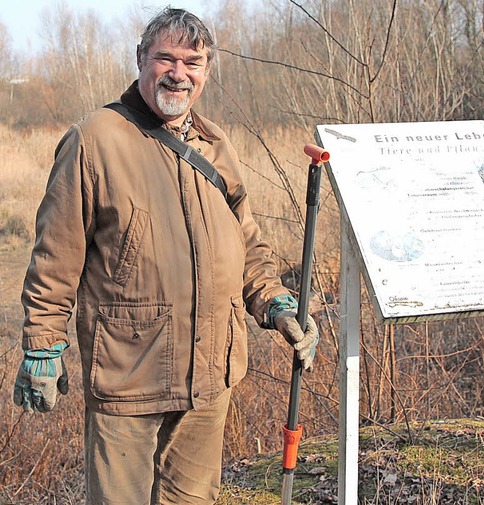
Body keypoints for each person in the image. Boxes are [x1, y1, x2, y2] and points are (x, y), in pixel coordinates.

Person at [12, 7, 318, 505]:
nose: (179, 73)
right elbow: (55, 255)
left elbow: (247, 245)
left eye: (193, 62)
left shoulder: (216, 144)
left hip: (209, 377)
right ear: (140, 59)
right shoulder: (95, 139)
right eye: (166, 58)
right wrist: (43, 346)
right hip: (129, 374)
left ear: (207, 71)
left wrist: (275, 302)